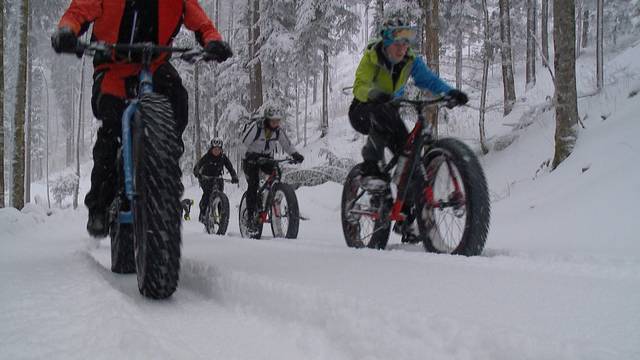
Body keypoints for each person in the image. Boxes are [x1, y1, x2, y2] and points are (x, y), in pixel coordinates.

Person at [51, 0, 233, 238]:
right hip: (113, 67)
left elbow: (201, 22)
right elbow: (79, 11)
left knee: (177, 100)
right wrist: (68, 31)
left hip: (155, 65)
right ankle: (100, 205)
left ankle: (165, 165)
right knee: (112, 128)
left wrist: (213, 41)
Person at [348, 17, 468, 242]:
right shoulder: (372, 57)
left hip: (390, 112)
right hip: (363, 108)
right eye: (398, 43)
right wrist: (374, 93)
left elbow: (429, 81)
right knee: (381, 113)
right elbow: (359, 85)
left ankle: (407, 219)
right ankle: (371, 168)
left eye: (406, 43)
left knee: (410, 157)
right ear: (386, 41)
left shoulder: (411, 61)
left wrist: (450, 92)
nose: (403, 48)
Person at [241, 105, 304, 228]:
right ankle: (250, 216)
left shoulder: (278, 131)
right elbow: (242, 144)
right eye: (273, 121)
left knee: (277, 173)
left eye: (278, 121)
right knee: (253, 184)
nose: (275, 123)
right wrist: (248, 155)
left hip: (266, 159)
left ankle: (273, 196)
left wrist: (295, 154)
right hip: (251, 159)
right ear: (267, 119)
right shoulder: (257, 128)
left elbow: (287, 144)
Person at [193, 138, 239, 223]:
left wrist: (234, 176)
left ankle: (222, 217)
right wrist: (197, 172)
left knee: (220, 196)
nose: (217, 151)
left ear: (221, 150)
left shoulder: (223, 157)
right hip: (206, 178)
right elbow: (198, 166)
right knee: (207, 194)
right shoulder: (207, 156)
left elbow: (230, 167)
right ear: (211, 149)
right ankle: (203, 213)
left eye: (218, 149)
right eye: (215, 149)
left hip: (218, 178)